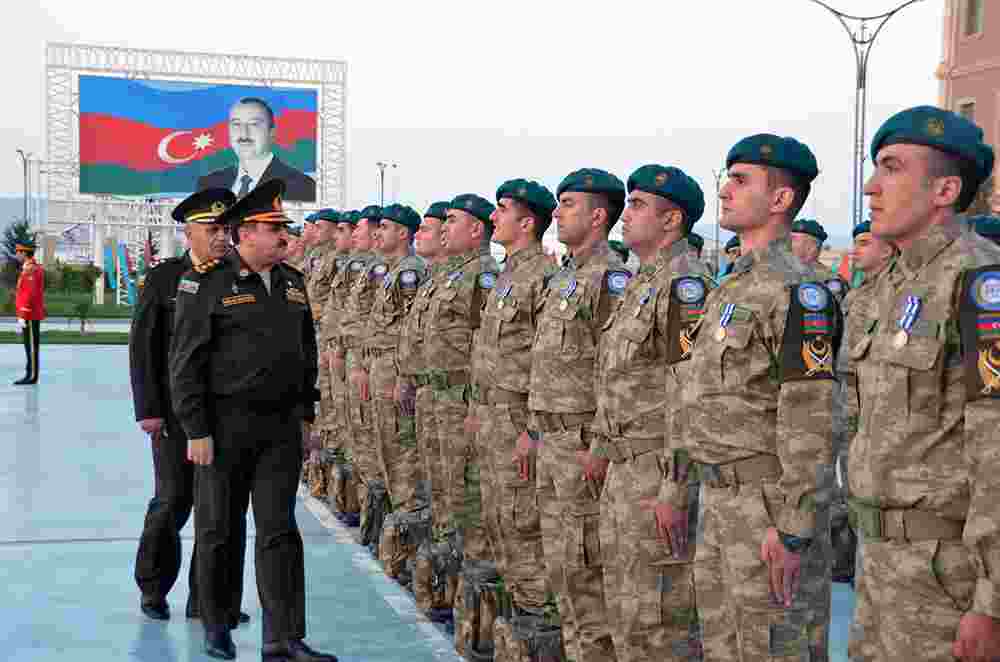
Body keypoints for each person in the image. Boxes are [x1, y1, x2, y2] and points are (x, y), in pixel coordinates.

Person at [662, 134, 838, 661]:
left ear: (781, 199)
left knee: (774, 647)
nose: (725, 191)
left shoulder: (798, 290)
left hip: (766, 509)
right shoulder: (729, 286)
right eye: (727, 179)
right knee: (722, 648)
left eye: (741, 181)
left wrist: (794, 529)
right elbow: (694, 392)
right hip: (718, 501)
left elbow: (811, 416)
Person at [847, 106, 1000, 662]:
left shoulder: (981, 281)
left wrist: (992, 600)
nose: (871, 187)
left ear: (945, 190)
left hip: (947, 577)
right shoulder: (891, 282)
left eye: (891, 168)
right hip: (880, 559)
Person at [169, 180, 336, 662]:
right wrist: (196, 429)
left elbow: (306, 354)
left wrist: (306, 415)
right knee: (220, 530)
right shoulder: (205, 283)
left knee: (280, 531)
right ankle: (217, 624)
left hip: (279, 429)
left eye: (283, 227)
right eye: (273, 227)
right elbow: (185, 364)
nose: (284, 235)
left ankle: (284, 637)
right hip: (224, 428)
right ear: (245, 234)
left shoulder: (292, 282)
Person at [590, 165, 712, 662]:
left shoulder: (686, 284)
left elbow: (690, 392)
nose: (626, 214)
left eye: (638, 205)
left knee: (659, 623)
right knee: (626, 615)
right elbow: (618, 378)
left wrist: (675, 488)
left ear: (671, 219)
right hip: (625, 469)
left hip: (656, 473)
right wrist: (602, 446)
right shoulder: (643, 281)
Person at [130, 188, 251, 627]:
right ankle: (153, 586)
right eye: (212, 229)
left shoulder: (239, 276)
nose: (221, 237)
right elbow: (144, 345)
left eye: (226, 229)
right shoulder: (165, 279)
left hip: (226, 415)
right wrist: (149, 409)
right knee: (172, 501)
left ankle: (209, 600)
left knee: (220, 510)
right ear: (189, 233)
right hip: (175, 413)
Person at [525, 168, 632, 662]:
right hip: (553, 441)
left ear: (597, 216)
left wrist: (600, 444)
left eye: (568, 204)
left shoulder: (610, 279)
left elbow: (617, 370)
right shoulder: (566, 276)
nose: (557, 212)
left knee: (587, 575)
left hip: (582, 444)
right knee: (563, 573)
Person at [465, 179, 558, 622]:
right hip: (493, 414)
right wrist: (476, 408)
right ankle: (519, 623)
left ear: (527, 222)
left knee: (523, 525)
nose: (493, 217)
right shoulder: (507, 274)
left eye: (502, 209)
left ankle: (538, 619)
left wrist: (533, 430)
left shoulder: (543, 276)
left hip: (518, 418)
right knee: (499, 519)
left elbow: (548, 360)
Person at [425, 194, 500, 565]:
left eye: (452, 220)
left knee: (465, 489)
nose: (444, 228)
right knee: (446, 484)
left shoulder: (482, 274)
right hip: (441, 392)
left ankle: (475, 564)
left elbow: (482, 342)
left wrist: (474, 404)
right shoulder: (454, 272)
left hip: (462, 396)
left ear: (475, 230)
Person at [357, 204, 427, 573]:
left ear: (403, 233)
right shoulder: (393, 271)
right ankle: (397, 540)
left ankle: (410, 549)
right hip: (380, 365)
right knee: (386, 450)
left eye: (384, 227)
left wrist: (403, 376)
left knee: (402, 456)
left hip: (394, 370)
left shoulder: (411, 271)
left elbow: (413, 330)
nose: (377, 233)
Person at [333, 205, 387, 547]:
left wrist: (363, 364)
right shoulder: (369, 266)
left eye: (356, 229)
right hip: (355, 358)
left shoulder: (392, 270)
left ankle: (377, 524)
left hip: (373, 365)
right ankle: (364, 514)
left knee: (372, 444)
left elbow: (383, 325)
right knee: (355, 437)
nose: (352, 235)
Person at [197, 97, 316, 202]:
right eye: (236, 124)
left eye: (254, 124)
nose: (244, 133)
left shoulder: (302, 187)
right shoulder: (208, 185)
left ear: (272, 132)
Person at [13, 238, 46, 385]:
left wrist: (23, 314)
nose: (16, 254)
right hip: (29, 313)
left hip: (30, 315)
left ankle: (31, 376)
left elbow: (30, 294)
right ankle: (30, 374)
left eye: (18, 251)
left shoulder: (31, 269)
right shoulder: (30, 267)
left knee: (31, 345)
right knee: (30, 345)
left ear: (24, 253)